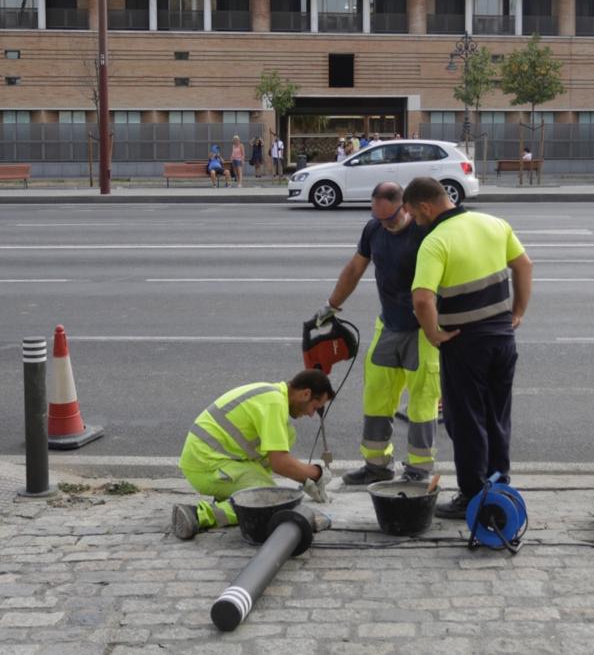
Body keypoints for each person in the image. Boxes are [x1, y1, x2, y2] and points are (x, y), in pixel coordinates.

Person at [404, 176, 533, 520]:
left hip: (464, 342)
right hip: (502, 338)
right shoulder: (494, 223)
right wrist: (517, 312)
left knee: (466, 420)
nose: (416, 223)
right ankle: (499, 483)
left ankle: (474, 495)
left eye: (415, 216)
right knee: (497, 415)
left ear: (426, 207)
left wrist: (433, 335)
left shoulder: (435, 241)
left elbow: (422, 298)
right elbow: (524, 265)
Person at [315, 182, 437, 487]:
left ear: (405, 208)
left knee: (422, 402)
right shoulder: (373, 230)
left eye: (390, 219)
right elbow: (355, 269)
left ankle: (418, 470)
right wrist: (331, 306)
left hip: (424, 330)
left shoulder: (425, 233)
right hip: (389, 325)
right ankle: (377, 465)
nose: (385, 225)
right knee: (376, 396)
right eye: (378, 218)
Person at [171, 369, 335, 540]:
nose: (311, 414)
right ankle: (198, 515)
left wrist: (305, 480)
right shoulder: (274, 403)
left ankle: (230, 496)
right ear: (306, 394)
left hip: (213, 460)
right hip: (205, 465)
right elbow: (280, 463)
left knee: (288, 435)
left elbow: (276, 460)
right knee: (269, 502)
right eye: (314, 407)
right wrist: (317, 473)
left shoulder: (274, 396)